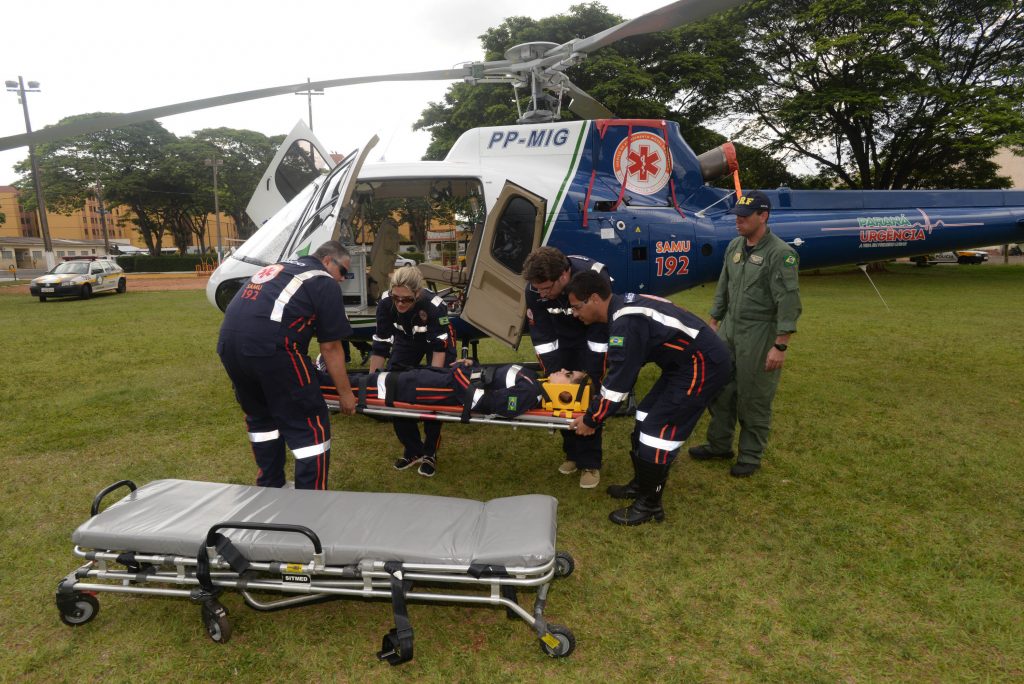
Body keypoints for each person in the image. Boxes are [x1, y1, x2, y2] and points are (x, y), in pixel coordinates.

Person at [566, 271, 730, 526]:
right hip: (682, 364)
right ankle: (642, 484)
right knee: (643, 416)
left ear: (595, 298)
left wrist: (591, 419)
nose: (575, 314)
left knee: (656, 431)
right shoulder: (624, 306)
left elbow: (618, 383)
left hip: (703, 364)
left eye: (576, 307)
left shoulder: (625, 322)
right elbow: (625, 363)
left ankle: (650, 504)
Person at [217, 241, 356, 490]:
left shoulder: (281, 267)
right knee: (310, 427)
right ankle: (310, 499)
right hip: (273, 351)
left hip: (229, 347)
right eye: (343, 272)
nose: (343, 280)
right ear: (327, 261)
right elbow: (331, 348)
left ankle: (270, 485)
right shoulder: (321, 279)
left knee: (262, 420)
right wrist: (346, 395)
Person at [688, 190, 802, 477]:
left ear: (763, 216)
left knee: (754, 397)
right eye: (736, 216)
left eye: (744, 216)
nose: (738, 221)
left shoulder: (781, 254)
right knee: (721, 390)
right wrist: (713, 323)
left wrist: (781, 345)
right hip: (729, 331)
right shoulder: (735, 246)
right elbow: (723, 287)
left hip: (760, 333)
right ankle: (719, 445)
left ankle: (750, 455)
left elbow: (788, 302)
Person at [523, 246, 611, 489]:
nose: (541, 293)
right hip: (560, 344)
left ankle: (590, 463)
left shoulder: (592, 277)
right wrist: (553, 372)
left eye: (546, 289)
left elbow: (600, 329)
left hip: (590, 340)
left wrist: (589, 375)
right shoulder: (534, 288)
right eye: (538, 289)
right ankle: (572, 454)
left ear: (563, 275)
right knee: (561, 398)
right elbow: (541, 334)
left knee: (587, 399)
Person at [369, 265, 457, 477]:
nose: (399, 303)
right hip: (406, 340)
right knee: (395, 387)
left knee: (433, 393)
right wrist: (372, 381)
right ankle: (413, 449)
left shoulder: (435, 307)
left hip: (436, 344)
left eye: (406, 299)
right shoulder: (385, 303)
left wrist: (431, 381)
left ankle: (430, 452)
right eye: (396, 297)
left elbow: (438, 350)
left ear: (418, 293)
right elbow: (381, 345)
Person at [321, 361, 570, 419]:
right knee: (373, 379)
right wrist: (472, 367)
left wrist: (459, 379)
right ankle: (316, 376)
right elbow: (491, 378)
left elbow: (489, 404)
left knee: (368, 386)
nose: (564, 371)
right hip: (441, 379)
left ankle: (312, 382)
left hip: (438, 389)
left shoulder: (529, 392)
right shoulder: (533, 379)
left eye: (570, 376)